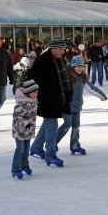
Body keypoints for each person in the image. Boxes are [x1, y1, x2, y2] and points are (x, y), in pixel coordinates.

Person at [29, 36, 72, 167]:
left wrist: (68, 95)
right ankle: (51, 155)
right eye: (60, 49)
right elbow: (32, 80)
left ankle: (36, 148)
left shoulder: (61, 59)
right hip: (47, 100)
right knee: (52, 127)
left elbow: (65, 80)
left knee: (47, 125)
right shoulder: (42, 61)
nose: (62, 51)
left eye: (63, 49)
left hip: (59, 99)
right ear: (53, 48)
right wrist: (42, 96)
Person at [56, 56, 107, 155]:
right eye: (78, 66)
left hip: (77, 106)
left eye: (82, 66)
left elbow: (91, 88)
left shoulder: (82, 78)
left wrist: (102, 96)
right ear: (73, 67)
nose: (80, 68)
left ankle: (75, 146)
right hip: (67, 106)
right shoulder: (68, 77)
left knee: (76, 127)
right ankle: (53, 143)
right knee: (67, 125)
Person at [11, 79, 39, 179]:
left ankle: (24, 165)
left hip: (29, 130)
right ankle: (16, 168)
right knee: (20, 150)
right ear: (28, 92)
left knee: (26, 150)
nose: (37, 94)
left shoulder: (33, 101)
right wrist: (26, 124)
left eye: (37, 92)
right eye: (35, 92)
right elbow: (17, 117)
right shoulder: (21, 103)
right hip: (20, 131)